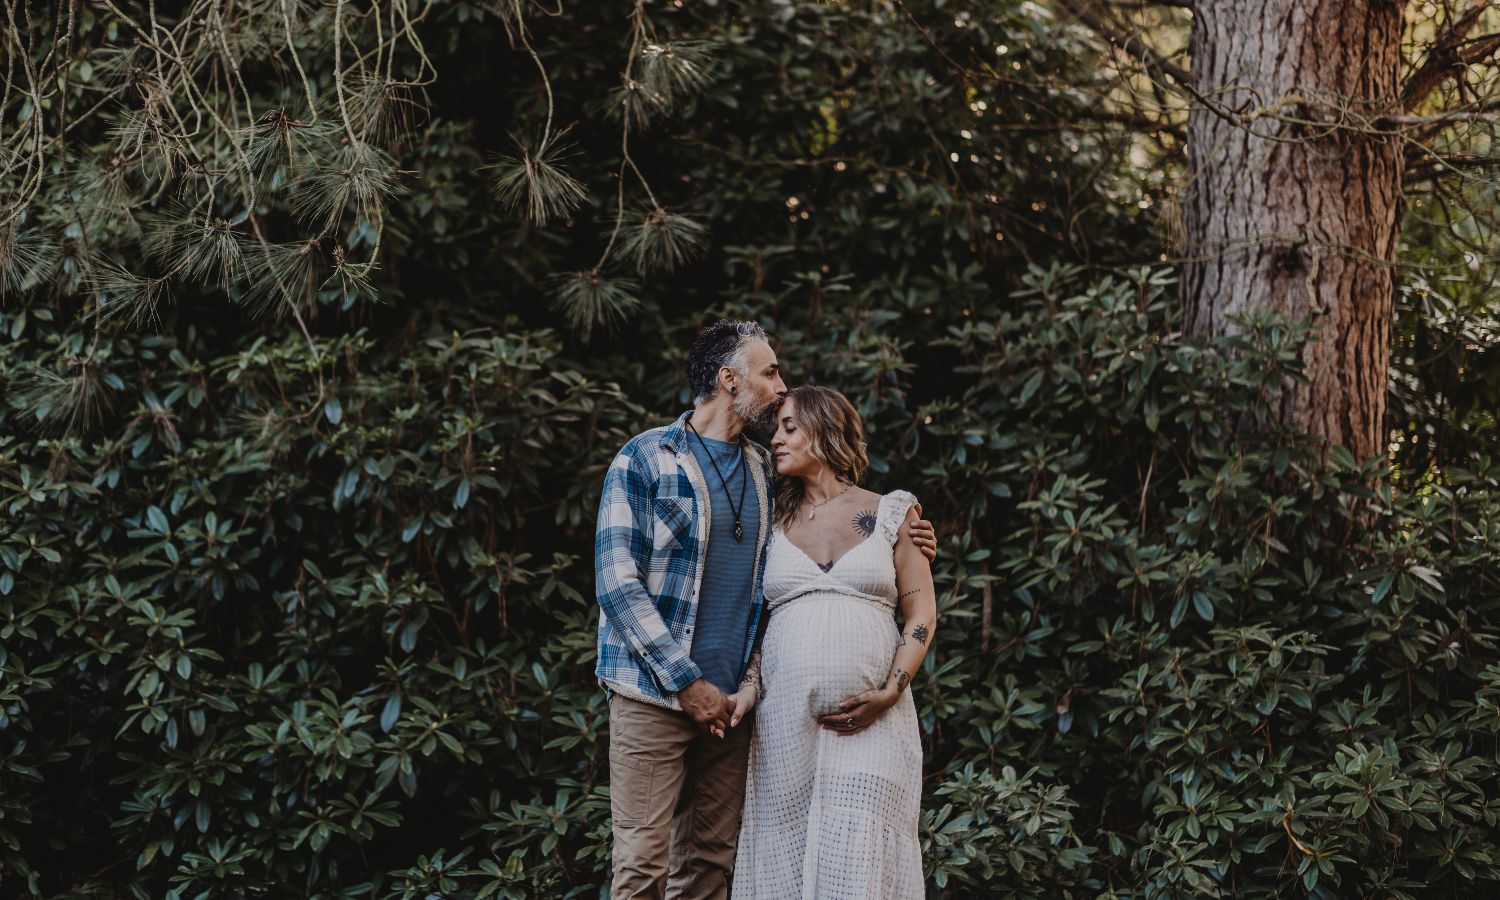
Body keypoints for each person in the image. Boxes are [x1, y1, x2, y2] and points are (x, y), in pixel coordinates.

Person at [593, 321, 937, 900]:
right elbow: (618, 582)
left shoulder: (763, 473)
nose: (782, 385)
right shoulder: (646, 458)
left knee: (709, 864)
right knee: (642, 866)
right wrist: (686, 682)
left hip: (733, 706)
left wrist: (911, 535)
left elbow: (839, 528)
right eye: (770, 371)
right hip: (654, 693)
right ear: (729, 379)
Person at [729, 385, 937, 900]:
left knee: (860, 854)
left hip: (874, 724)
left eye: (789, 427)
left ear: (824, 431)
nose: (776, 439)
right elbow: (758, 624)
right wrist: (750, 688)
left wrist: (890, 690)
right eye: (776, 427)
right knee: (783, 858)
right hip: (782, 728)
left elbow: (921, 611)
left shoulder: (892, 513)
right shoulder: (768, 521)